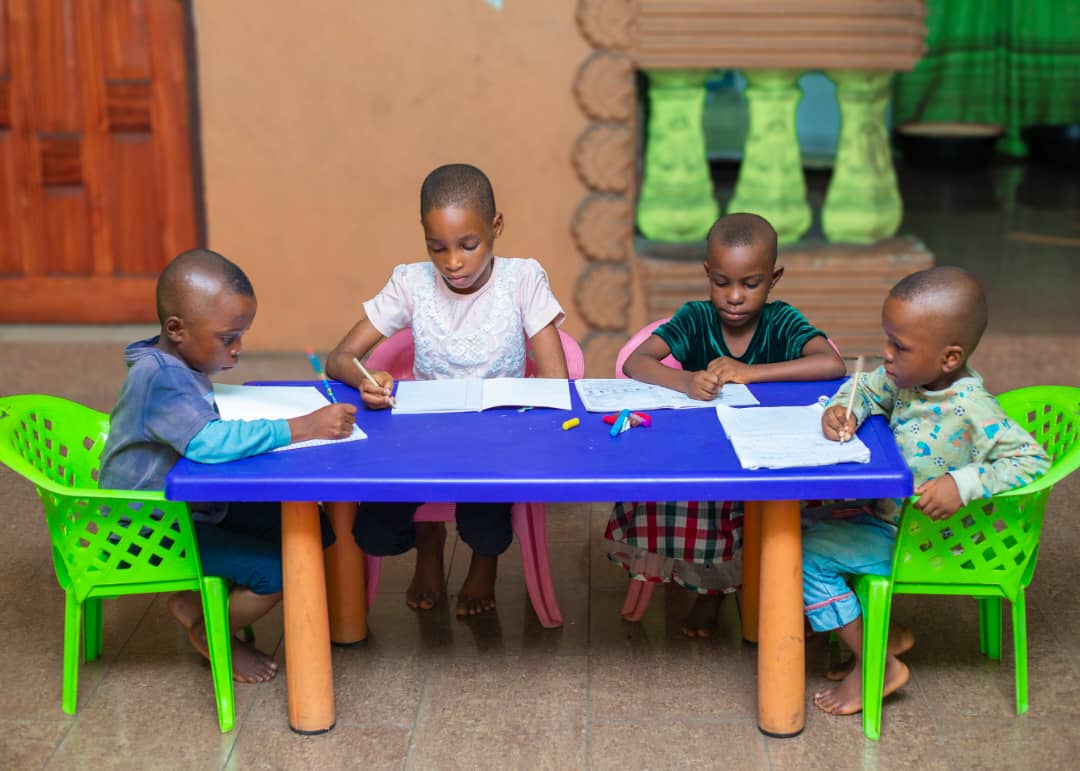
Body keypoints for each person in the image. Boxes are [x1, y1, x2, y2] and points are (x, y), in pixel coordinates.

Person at [98, 249, 357, 682]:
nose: (237, 349)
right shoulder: (160, 377)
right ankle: (210, 630)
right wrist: (304, 426)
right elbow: (207, 443)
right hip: (145, 530)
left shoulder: (174, 360)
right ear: (176, 330)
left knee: (313, 529)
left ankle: (189, 597)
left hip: (185, 506)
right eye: (227, 338)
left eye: (241, 335)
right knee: (278, 572)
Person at [325, 163, 568, 618]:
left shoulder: (522, 279)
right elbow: (339, 358)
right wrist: (365, 379)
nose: (452, 262)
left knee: (486, 517)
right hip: (423, 437)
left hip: (497, 436)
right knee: (373, 530)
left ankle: (484, 563)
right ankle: (429, 542)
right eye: (436, 247)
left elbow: (556, 381)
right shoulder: (411, 283)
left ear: (496, 227)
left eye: (467, 245)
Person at [807, 266, 1051, 716]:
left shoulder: (971, 406)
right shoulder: (908, 380)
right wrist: (845, 410)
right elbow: (866, 392)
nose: (887, 354)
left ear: (949, 358)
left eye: (899, 346)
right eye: (887, 339)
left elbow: (1031, 460)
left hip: (923, 541)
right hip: (886, 518)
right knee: (802, 517)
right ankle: (886, 632)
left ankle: (876, 662)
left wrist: (964, 483)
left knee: (806, 555)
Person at [605, 212, 847, 637]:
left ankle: (787, 595)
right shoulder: (696, 318)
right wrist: (684, 380)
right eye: (722, 282)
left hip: (773, 451)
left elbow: (831, 362)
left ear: (774, 278)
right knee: (694, 498)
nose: (734, 297)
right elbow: (635, 361)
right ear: (707, 275)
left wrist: (750, 372)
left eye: (750, 284)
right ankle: (709, 593)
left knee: (792, 502)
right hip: (711, 452)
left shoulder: (782, 321)